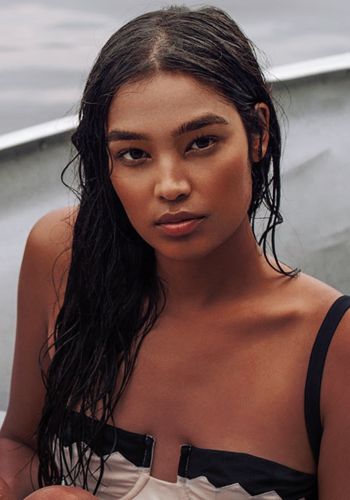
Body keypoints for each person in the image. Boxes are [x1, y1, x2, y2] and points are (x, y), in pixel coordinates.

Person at [0, 5, 350, 499]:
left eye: (201, 142)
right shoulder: (61, 257)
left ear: (258, 134)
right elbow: (17, 443)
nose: (170, 185)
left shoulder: (334, 346)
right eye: (135, 154)